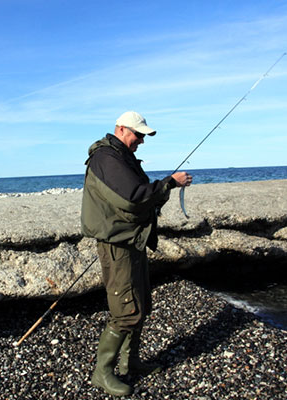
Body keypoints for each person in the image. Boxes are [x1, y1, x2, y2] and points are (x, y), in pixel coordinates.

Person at [81, 111, 192, 396]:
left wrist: (163, 189)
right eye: (138, 134)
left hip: (132, 240)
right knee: (125, 310)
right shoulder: (106, 157)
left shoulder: (121, 156)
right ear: (120, 129)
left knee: (140, 304)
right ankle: (102, 373)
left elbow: (140, 195)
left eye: (143, 136)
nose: (141, 141)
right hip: (118, 244)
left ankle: (131, 364)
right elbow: (133, 197)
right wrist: (169, 183)